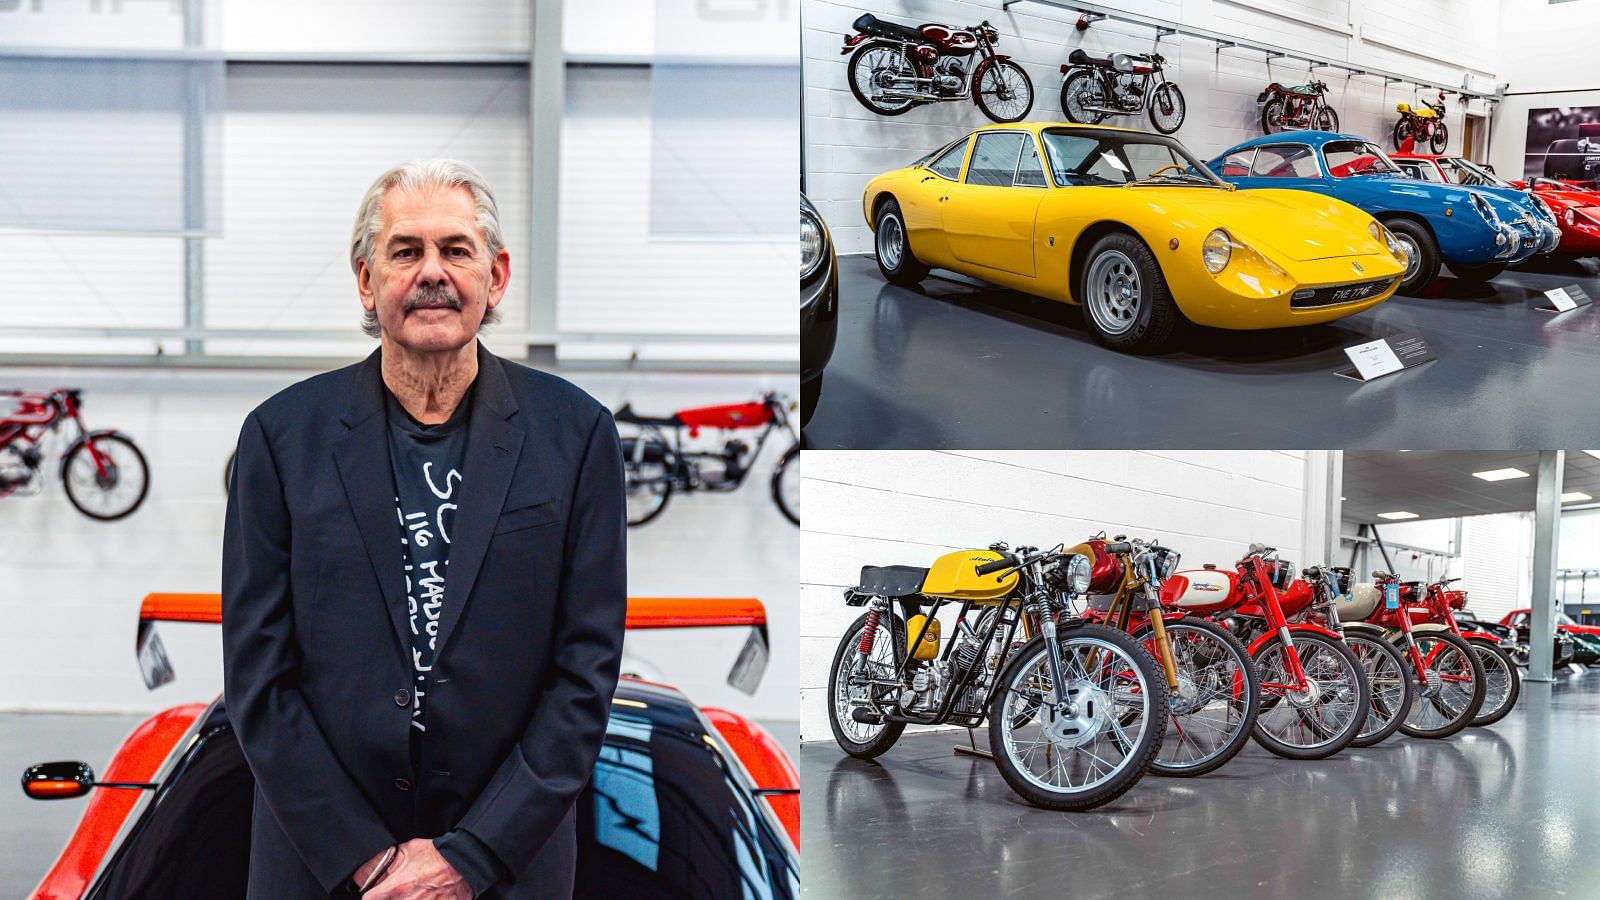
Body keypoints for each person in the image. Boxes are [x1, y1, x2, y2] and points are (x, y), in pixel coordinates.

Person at [222, 159, 626, 898]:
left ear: (496, 277)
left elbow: (585, 673)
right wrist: (369, 860)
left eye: (457, 250)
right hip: (323, 866)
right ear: (366, 280)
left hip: (509, 862)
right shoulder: (282, 437)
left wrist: (471, 856)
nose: (432, 272)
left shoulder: (575, 435)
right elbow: (258, 677)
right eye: (406, 251)